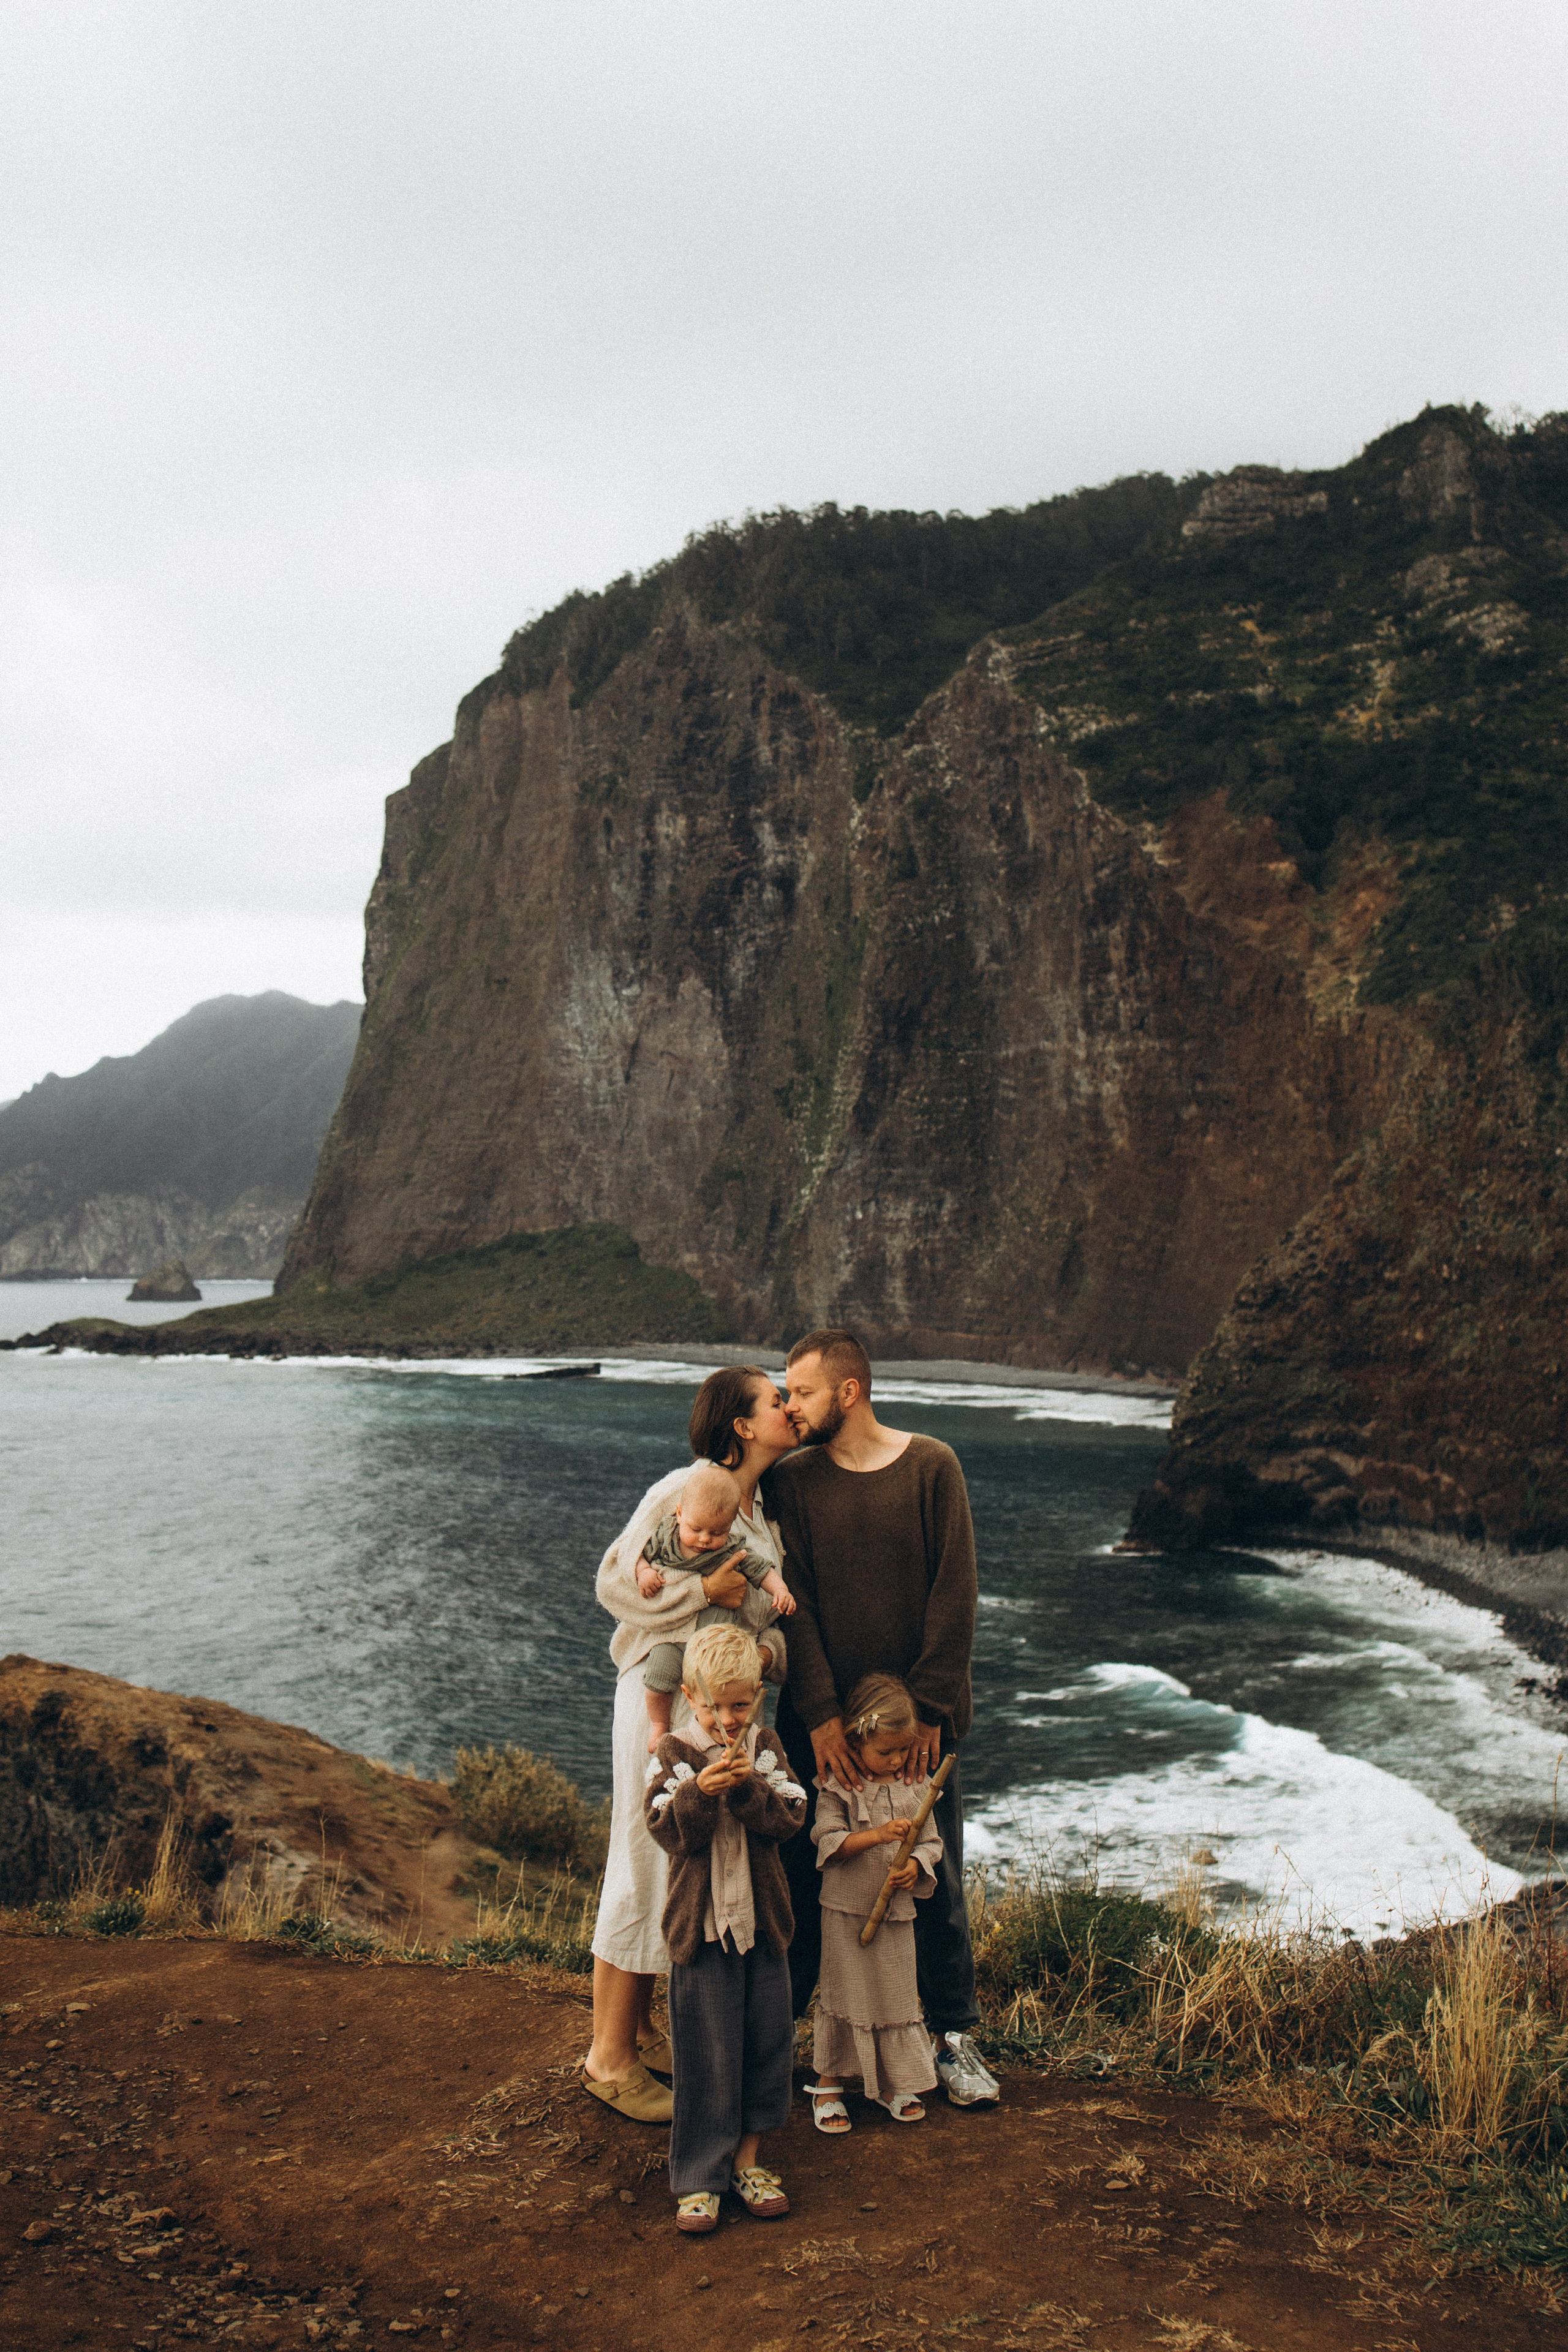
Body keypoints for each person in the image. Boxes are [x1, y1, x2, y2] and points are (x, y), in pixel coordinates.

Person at [766, 1325, 1000, 2108]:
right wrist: (822, 1717)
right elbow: (792, 1608)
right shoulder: (792, 1483)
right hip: (823, 1731)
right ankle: (789, 2045)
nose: (787, 1406)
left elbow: (955, 1590)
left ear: (848, 1392)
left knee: (933, 1875)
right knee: (806, 1876)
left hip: (919, 1733)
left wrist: (929, 1710)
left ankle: (953, 2038)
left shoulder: (933, 1465)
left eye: (799, 1392)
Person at [582, 1365, 798, 2122]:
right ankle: (607, 2059)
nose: (790, 1406)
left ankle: (639, 2033)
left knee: (675, 1857)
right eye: (778, 1400)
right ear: (741, 1425)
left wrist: (764, 1650)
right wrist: (703, 1594)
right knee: (648, 1856)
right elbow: (613, 1583)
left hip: (708, 1705)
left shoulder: (757, 1508)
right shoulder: (685, 1484)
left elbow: (758, 1621)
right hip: (662, 1695)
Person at [643, 1623, 807, 2234]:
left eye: (740, 1704)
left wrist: (746, 1792)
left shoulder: (765, 1746)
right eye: (713, 1706)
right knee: (706, 2052)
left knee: (766, 2043)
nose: (728, 1719)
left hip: (762, 1927)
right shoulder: (673, 1754)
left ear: (758, 1694)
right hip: (702, 1931)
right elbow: (662, 1828)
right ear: (690, 1695)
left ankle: (748, 2162)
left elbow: (790, 1816)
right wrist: (701, 1798)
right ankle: (697, 2179)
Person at [806, 1672, 943, 2133]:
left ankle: (891, 2081)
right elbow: (827, 1840)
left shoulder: (916, 1787)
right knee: (845, 1993)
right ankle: (829, 2083)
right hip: (846, 1911)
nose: (897, 1759)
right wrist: (877, 1837)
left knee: (894, 1993)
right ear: (856, 1738)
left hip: (895, 1915)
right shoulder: (838, 1786)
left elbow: (932, 1841)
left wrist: (917, 1866)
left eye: (902, 1750)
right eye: (886, 1751)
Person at [639, 1461, 795, 1750]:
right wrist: (645, 1573)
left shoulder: (731, 1547)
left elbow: (762, 1570)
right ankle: (660, 1726)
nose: (704, 1540)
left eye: (716, 1533)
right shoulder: (666, 1536)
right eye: (696, 1529)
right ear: (680, 1513)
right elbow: (640, 1556)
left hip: (717, 1648)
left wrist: (781, 1590)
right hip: (675, 1636)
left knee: (720, 1700)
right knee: (657, 1679)